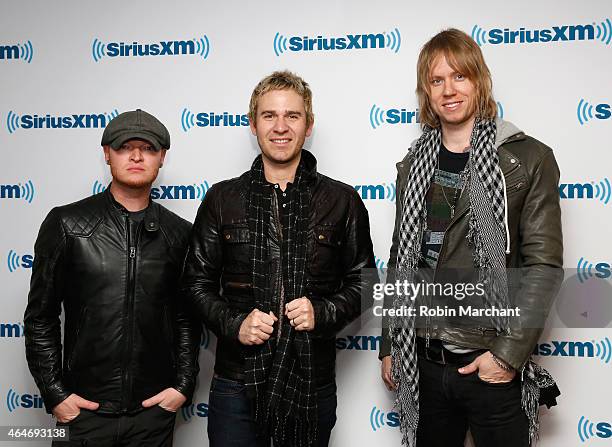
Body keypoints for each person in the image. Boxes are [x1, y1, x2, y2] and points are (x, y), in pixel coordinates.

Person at [379, 29, 563, 447]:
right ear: (426, 92)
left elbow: (544, 266)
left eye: (459, 76)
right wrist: (391, 342)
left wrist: (506, 355)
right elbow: (400, 259)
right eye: (437, 80)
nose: (449, 90)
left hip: (489, 358)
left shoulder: (527, 159)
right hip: (422, 359)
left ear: (480, 81)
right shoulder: (414, 164)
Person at [182, 70, 375, 447]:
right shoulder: (222, 199)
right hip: (236, 383)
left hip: (310, 382)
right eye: (269, 115)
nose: (281, 127)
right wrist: (235, 323)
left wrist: (323, 312)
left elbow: (365, 284)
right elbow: (194, 284)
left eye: (293, 116)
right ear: (253, 125)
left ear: (309, 125)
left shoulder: (342, 200)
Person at [24, 109, 201, 446]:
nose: (136, 156)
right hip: (84, 413)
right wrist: (56, 393)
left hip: (152, 416)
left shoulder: (180, 235)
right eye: (124, 147)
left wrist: (182, 387)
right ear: (107, 153)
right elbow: (40, 318)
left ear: (162, 157)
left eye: (148, 148)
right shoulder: (67, 224)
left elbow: (186, 318)